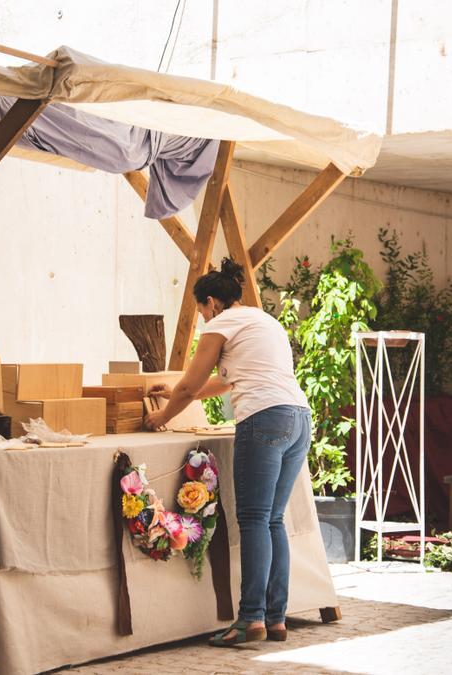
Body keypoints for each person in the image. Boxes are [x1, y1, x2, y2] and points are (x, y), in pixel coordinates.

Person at [144, 257, 311, 647]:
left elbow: (193, 383)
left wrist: (163, 415)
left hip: (264, 420)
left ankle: (249, 619)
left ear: (212, 302)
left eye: (201, 308)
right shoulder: (263, 321)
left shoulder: (220, 325)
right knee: (272, 520)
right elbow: (223, 380)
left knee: (253, 520)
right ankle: (275, 618)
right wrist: (177, 393)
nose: (203, 318)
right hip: (298, 418)